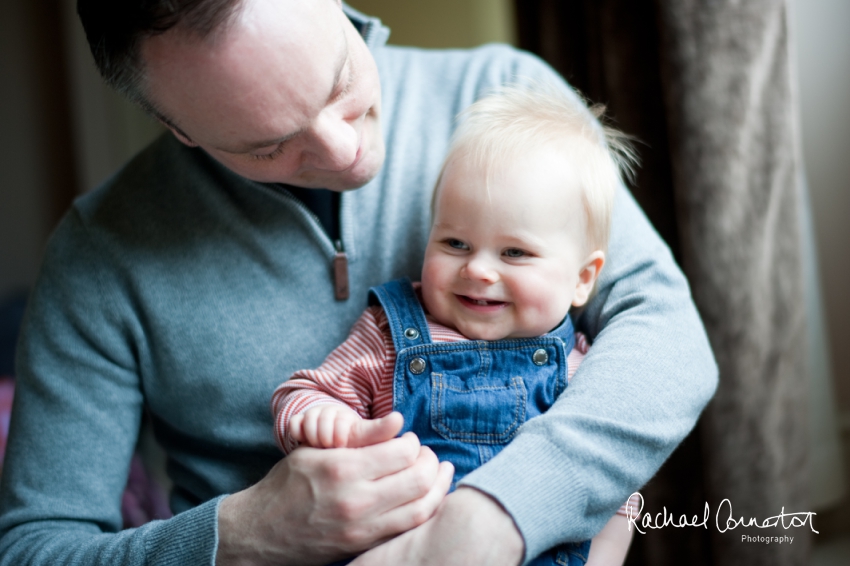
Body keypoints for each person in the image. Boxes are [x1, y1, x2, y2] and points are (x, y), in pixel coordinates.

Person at [0, 1, 717, 565]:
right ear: (175, 125)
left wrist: (498, 516)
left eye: (339, 80)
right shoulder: (98, 257)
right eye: (267, 145)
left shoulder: (505, 101)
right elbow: (36, 547)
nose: (346, 152)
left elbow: (669, 335)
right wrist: (245, 536)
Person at [273, 86, 641, 566]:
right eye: (455, 244)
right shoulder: (393, 333)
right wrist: (319, 418)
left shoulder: (582, 373)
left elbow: (615, 491)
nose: (479, 270)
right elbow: (306, 390)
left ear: (582, 279)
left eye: (514, 252)